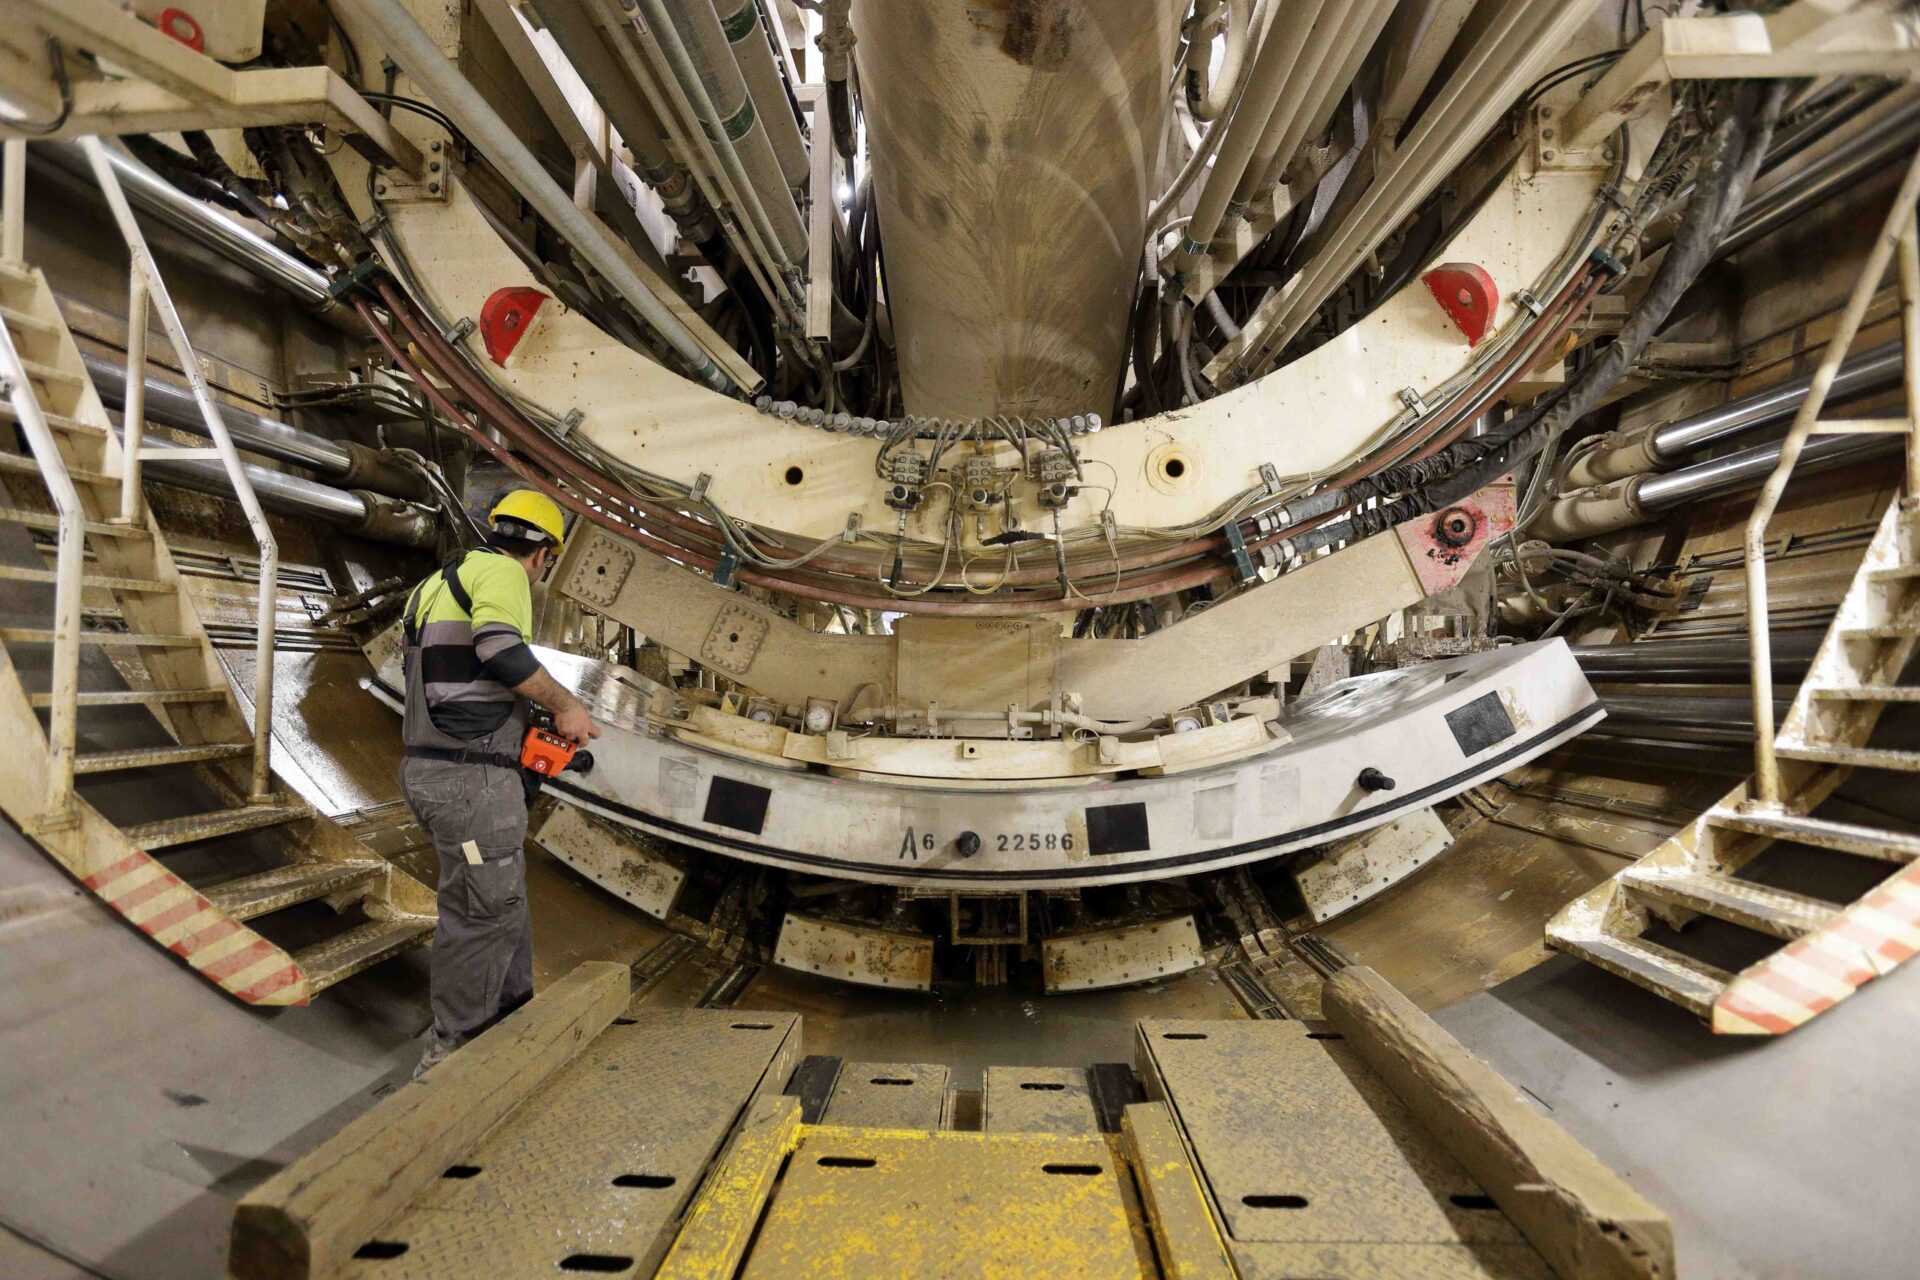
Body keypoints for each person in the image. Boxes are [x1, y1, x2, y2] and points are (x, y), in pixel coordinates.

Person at [398, 488, 600, 1076]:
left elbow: (444, 676)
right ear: (543, 555)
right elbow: (497, 647)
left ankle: (513, 1023)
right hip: (470, 782)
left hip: (429, 768)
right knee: (481, 913)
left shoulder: (436, 582)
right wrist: (566, 707)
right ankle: (455, 1059)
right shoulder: (504, 576)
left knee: (496, 899)